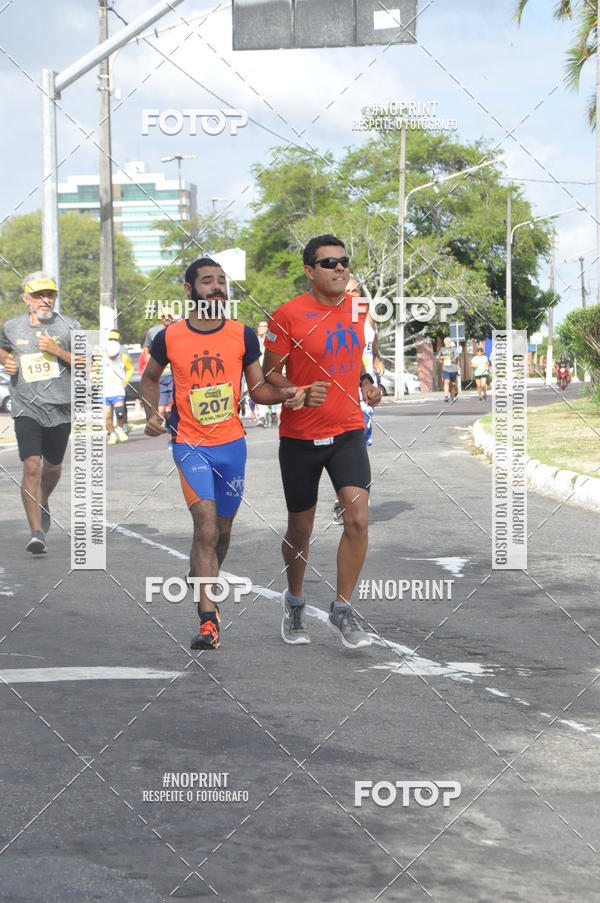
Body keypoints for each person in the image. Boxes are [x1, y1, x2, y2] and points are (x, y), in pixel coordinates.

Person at [141, 258, 301, 651]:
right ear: (189, 289)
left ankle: (201, 574)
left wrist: (286, 393)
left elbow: (258, 389)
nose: (217, 288)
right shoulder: (169, 337)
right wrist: (151, 413)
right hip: (189, 444)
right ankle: (208, 620)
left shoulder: (243, 335)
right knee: (207, 528)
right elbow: (148, 378)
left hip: (232, 445)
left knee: (222, 534)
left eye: (221, 282)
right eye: (207, 281)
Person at [263, 235, 382, 650]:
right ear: (309, 270)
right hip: (299, 437)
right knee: (301, 529)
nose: (339, 268)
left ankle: (343, 608)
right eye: (329, 262)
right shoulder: (287, 316)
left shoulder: (358, 310)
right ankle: (295, 600)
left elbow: (355, 358)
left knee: (358, 519)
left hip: (348, 429)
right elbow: (267, 376)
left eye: (344, 261)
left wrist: (367, 382)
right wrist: (296, 388)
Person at [0, 272, 81, 554]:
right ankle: (37, 533)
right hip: (26, 407)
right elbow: (2, 348)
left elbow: (88, 362)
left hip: (60, 408)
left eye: (50, 294)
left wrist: (57, 350)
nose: (45, 299)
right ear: (26, 299)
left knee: (53, 467)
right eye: (38, 295)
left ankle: (43, 499)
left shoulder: (70, 326)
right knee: (32, 465)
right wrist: (6, 360)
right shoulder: (11, 327)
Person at [103, 330, 134, 444]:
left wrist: (126, 380)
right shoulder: (101, 356)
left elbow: (130, 368)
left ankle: (120, 429)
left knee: (120, 413)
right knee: (107, 416)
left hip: (118, 389)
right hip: (105, 391)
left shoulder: (122, 352)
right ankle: (112, 434)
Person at [143, 309, 174, 422]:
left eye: (169, 316)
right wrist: (148, 359)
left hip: (174, 374)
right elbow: (146, 346)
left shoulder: (176, 330)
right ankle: (171, 423)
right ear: (161, 318)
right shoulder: (152, 331)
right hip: (160, 374)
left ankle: (174, 427)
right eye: (164, 316)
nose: (167, 318)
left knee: (176, 406)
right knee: (161, 411)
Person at [437, 336, 460, 402]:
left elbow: (456, 356)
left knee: (453, 384)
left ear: (450, 342)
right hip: (446, 369)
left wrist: (452, 359)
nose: (447, 343)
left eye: (449, 342)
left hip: (453, 369)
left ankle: (456, 392)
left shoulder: (453, 349)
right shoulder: (442, 349)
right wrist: (441, 360)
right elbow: (438, 358)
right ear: (444, 342)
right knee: (446, 382)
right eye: (446, 342)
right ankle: (446, 396)